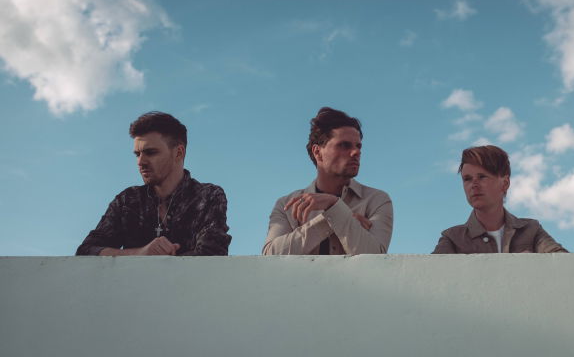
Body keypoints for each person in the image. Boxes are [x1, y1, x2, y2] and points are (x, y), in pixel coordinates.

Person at [76, 112, 231, 256]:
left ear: (178, 153)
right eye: (137, 154)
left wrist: (159, 262)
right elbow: (86, 251)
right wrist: (141, 253)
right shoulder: (127, 201)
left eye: (150, 153)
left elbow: (212, 255)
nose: (140, 162)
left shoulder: (207, 196)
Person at [263, 107, 393, 255]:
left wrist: (333, 205)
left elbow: (375, 256)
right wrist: (335, 217)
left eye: (358, 146)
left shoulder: (377, 200)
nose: (356, 152)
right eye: (344, 145)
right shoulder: (286, 205)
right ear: (317, 152)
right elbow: (271, 255)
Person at [433, 145, 567, 254]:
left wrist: (531, 264)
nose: (474, 185)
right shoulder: (453, 239)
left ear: (505, 183)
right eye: (467, 179)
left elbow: (565, 263)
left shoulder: (531, 230)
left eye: (482, 177)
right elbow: (429, 274)